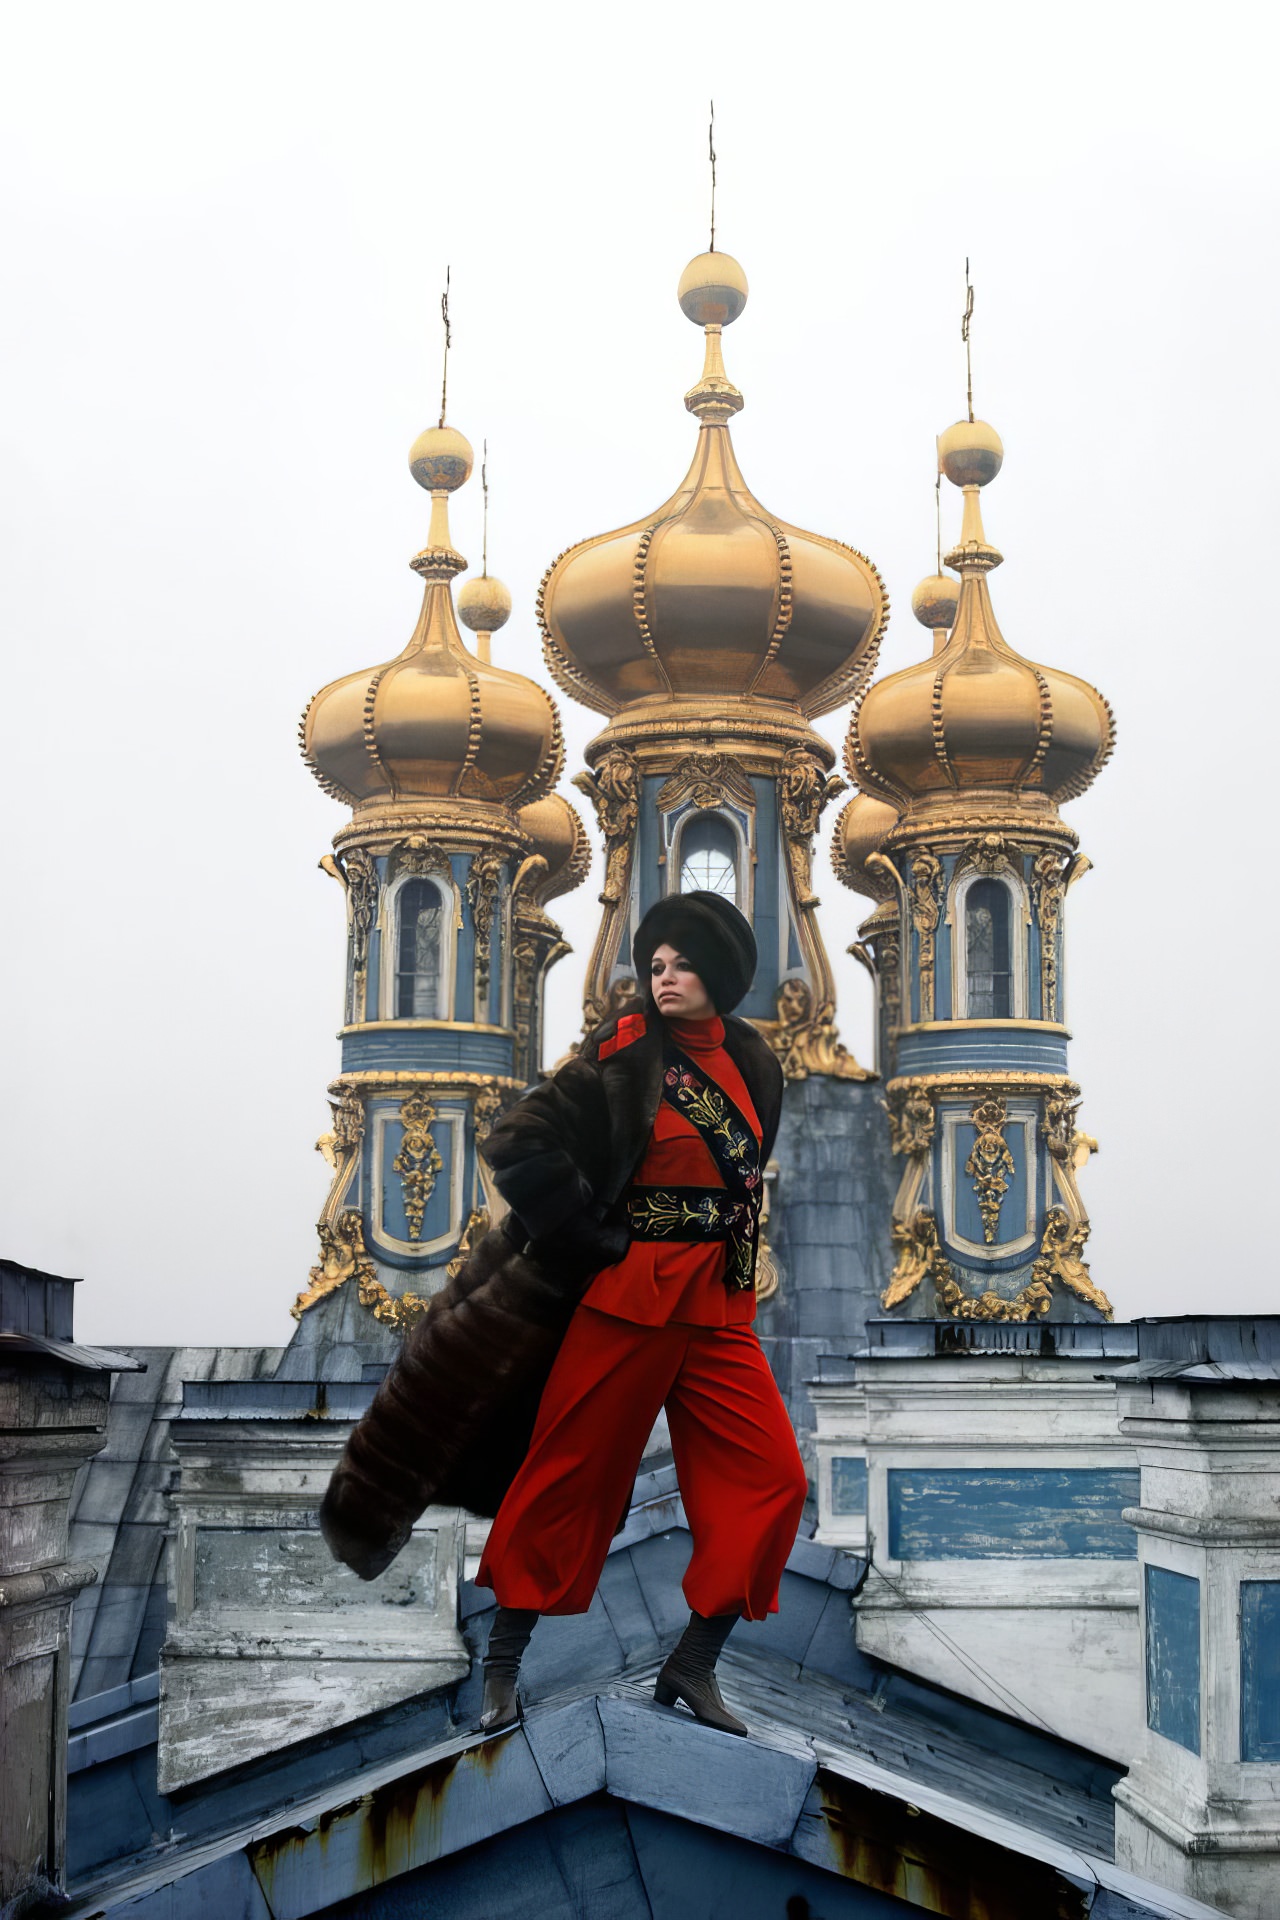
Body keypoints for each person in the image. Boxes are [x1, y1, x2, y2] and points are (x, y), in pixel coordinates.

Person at [319, 891, 807, 1743]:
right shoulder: (622, 1055)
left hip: (720, 1306)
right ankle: (503, 1669)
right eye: (654, 965)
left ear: (719, 973)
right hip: (629, 1296)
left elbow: (742, 1179)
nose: (663, 978)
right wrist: (585, 1233)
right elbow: (518, 1139)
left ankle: (692, 1666)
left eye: (681, 964)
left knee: (772, 1482)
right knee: (569, 1477)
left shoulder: (756, 1064)